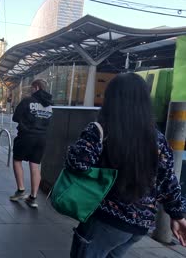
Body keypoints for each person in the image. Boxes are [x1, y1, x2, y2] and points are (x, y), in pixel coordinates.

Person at [67, 73, 186, 258]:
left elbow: (78, 163)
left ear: (112, 100)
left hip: (105, 221)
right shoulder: (158, 139)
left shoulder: (101, 130)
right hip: (138, 228)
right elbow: (168, 182)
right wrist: (178, 215)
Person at [9, 79, 53, 208]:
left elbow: (15, 117)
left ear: (37, 87)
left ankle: (21, 190)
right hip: (42, 138)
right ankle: (33, 197)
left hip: (26, 136)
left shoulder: (28, 100)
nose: (31, 90)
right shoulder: (50, 104)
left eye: (32, 88)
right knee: (35, 165)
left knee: (17, 160)